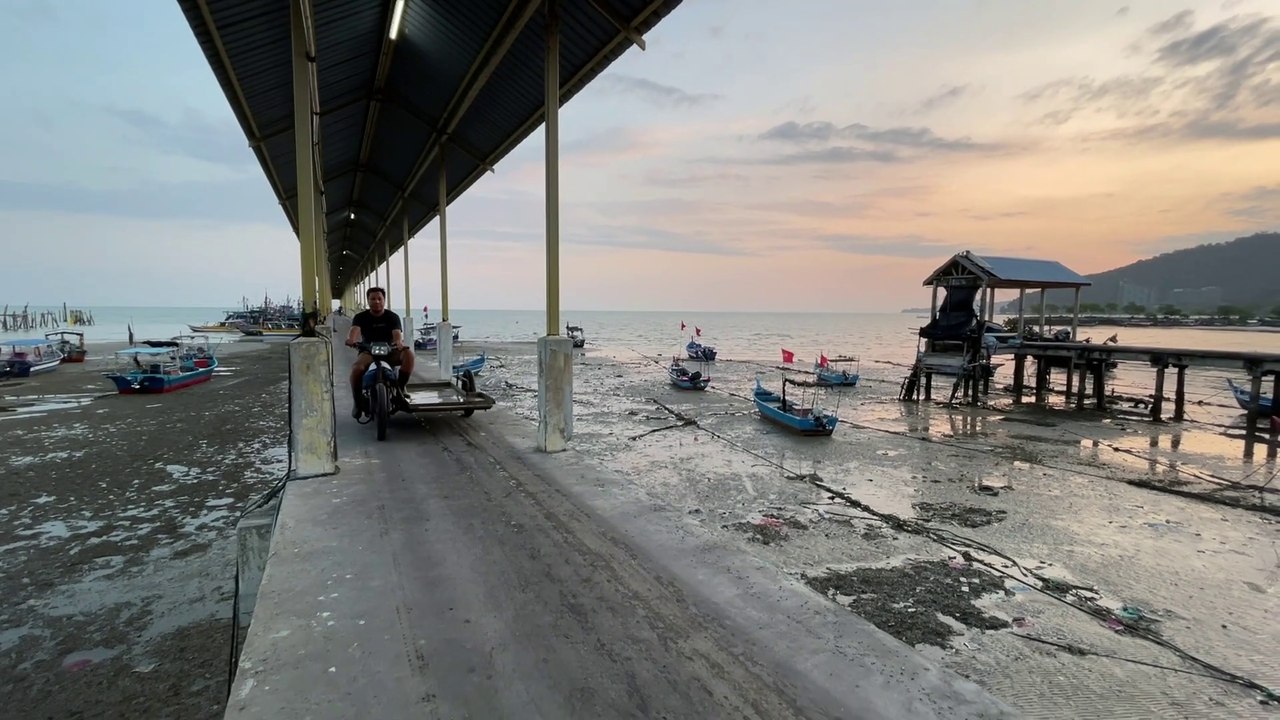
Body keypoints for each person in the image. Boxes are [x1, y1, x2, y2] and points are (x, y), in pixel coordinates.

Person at [345, 287, 415, 418]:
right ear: (368, 301)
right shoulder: (361, 317)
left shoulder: (392, 317)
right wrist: (351, 339)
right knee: (356, 369)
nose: (376, 301)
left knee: (409, 355)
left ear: (384, 300)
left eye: (379, 299)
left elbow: (397, 334)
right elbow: (354, 330)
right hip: (368, 351)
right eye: (373, 299)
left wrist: (398, 342)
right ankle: (358, 402)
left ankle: (400, 389)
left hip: (390, 350)